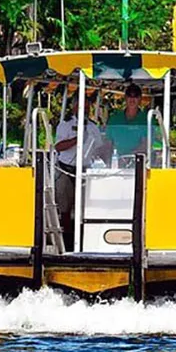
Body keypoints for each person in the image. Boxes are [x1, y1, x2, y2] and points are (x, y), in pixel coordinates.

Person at [52, 98, 106, 251]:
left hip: (85, 171)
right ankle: (66, 244)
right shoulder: (65, 124)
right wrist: (76, 139)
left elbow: (100, 148)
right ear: (75, 106)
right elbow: (59, 146)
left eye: (88, 107)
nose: (86, 110)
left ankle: (83, 242)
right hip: (66, 169)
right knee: (65, 208)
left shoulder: (93, 127)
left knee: (84, 209)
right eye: (83, 106)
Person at [104, 83, 149, 161]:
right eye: (129, 96)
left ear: (140, 99)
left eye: (136, 96)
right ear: (125, 98)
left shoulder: (147, 119)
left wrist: (130, 158)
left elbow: (146, 144)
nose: (132, 99)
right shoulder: (114, 118)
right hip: (116, 162)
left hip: (138, 162)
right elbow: (108, 143)